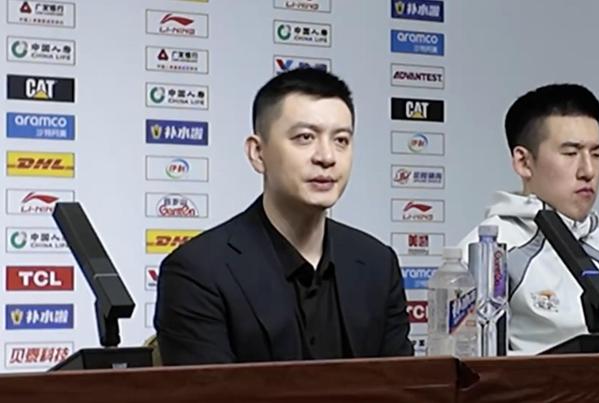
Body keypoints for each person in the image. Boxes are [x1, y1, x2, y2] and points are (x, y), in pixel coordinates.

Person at [154, 68, 413, 365]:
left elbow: (404, 384)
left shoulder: (377, 264)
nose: (327, 157)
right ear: (257, 153)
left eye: (341, 140)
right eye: (305, 137)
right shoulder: (198, 271)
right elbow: (210, 389)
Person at [458, 83, 599, 354]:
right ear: (523, 162)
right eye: (571, 153)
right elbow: (473, 370)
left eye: (597, 154)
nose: (588, 170)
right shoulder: (486, 255)